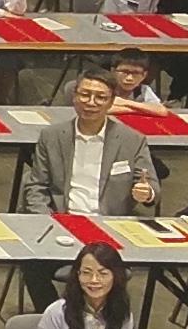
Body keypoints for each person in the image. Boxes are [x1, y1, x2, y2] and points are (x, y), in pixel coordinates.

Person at [26, 71, 161, 218]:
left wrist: (147, 193)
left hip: (110, 222)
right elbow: (36, 186)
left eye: (100, 97)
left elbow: (152, 186)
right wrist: (46, 219)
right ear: (74, 97)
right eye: (84, 95)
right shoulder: (51, 136)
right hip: (61, 218)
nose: (91, 102)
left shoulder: (132, 140)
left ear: (111, 102)